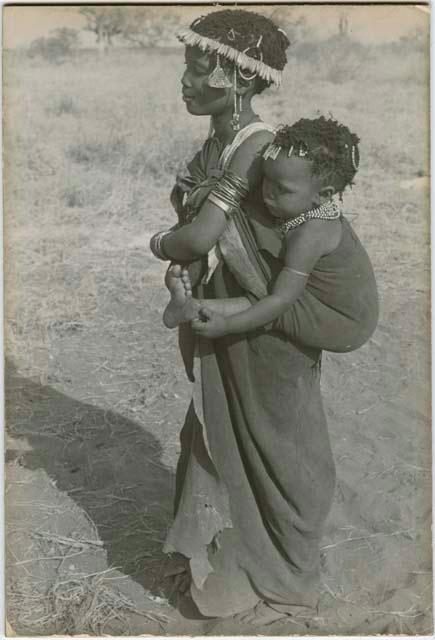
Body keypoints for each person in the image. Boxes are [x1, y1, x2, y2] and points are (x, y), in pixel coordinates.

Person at [149, 9, 377, 624]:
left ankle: (288, 576)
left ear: (238, 79)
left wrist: (161, 246)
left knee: (281, 443)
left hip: (267, 327)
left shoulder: (255, 146)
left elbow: (200, 237)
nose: (185, 82)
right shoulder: (224, 141)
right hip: (236, 317)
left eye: (198, 70)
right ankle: (227, 576)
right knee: (218, 437)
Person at [173, 117, 379, 354]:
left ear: (323, 195)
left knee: (272, 301)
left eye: (282, 189)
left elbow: (281, 300)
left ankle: (199, 308)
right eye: (266, 179)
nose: (267, 192)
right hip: (338, 308)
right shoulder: (309, 209)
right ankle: (190, 307)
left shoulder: (311, 234)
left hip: (343, 324)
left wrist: (228, 326)